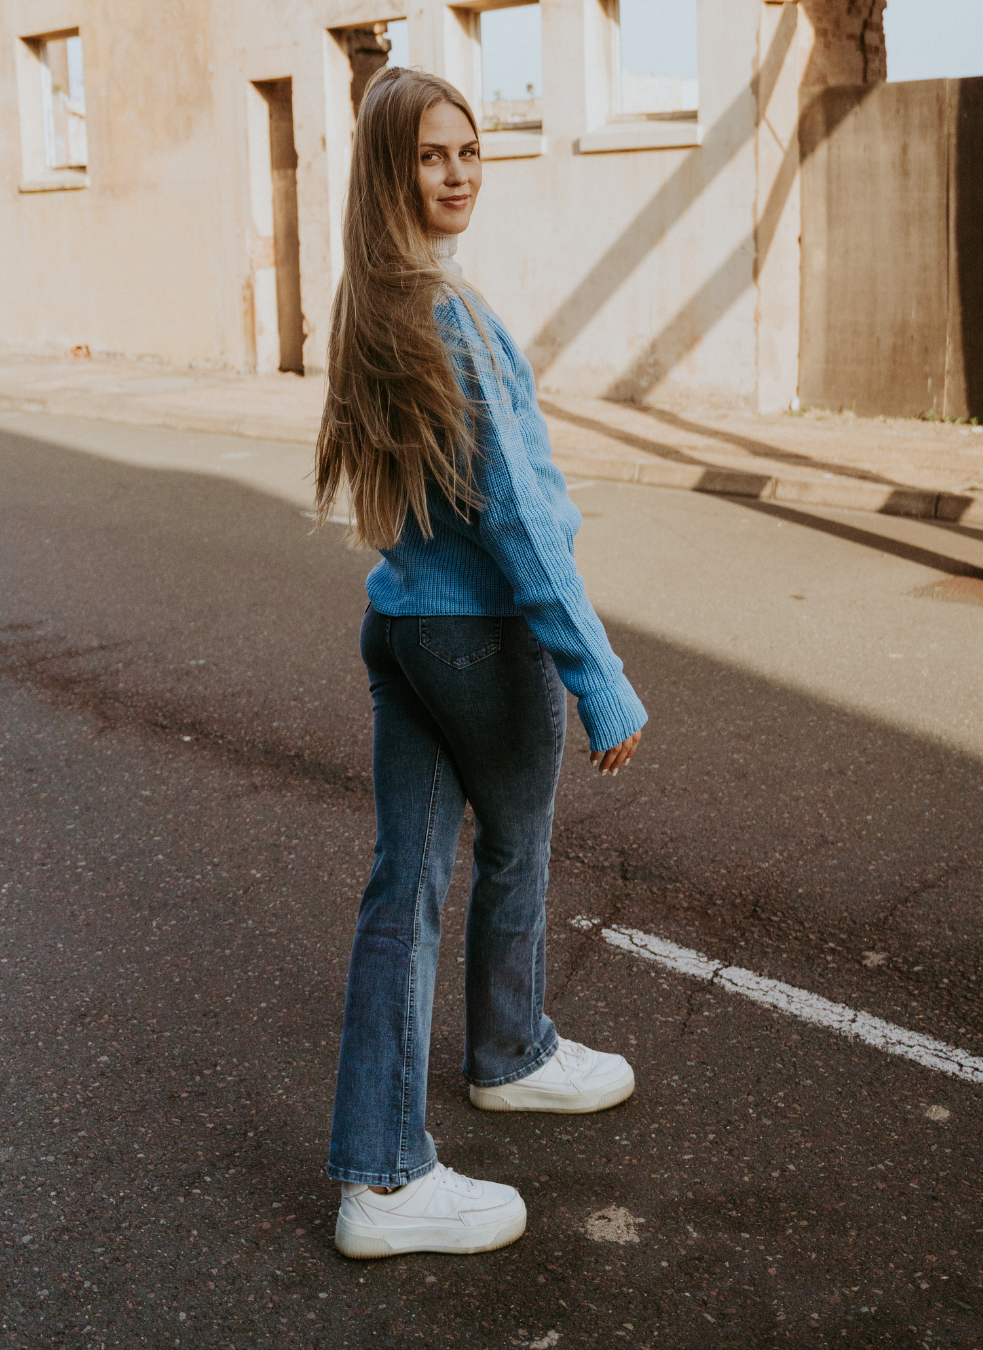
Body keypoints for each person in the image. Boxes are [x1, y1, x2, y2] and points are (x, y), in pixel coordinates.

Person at [315, 66, 647, 1260]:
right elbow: (517, 518)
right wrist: (598, 674)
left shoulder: (374, 299)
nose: (457, 174)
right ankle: (504, 1061)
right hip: (476, 636)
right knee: (514, 851)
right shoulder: (444, 314)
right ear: (389, 171)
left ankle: (385, 1170)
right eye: (430, 156)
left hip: (405, 625)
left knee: (403, 889)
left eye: (469, 152)